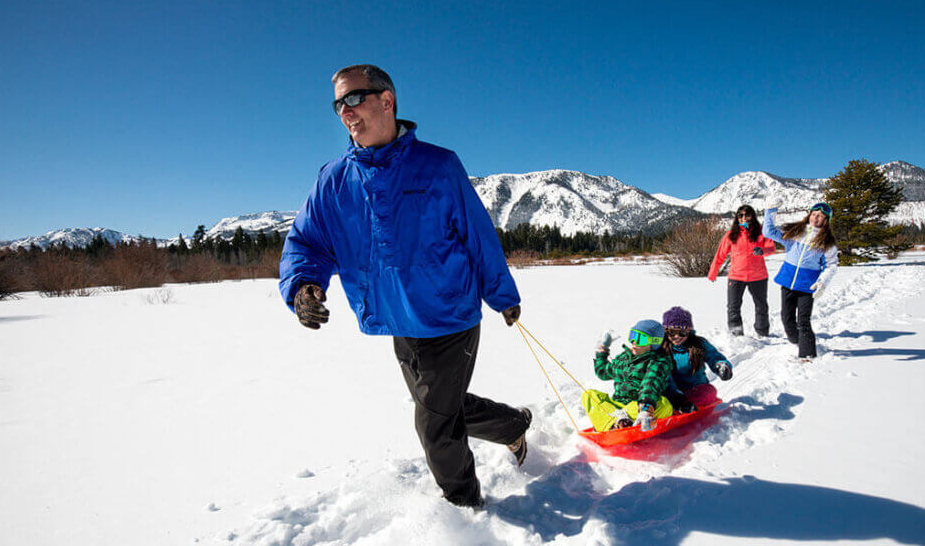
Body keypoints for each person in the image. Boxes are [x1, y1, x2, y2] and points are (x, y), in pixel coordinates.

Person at [279, 64, 529, 509]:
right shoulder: (334, 180)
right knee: (443, 407)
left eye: (354, 99)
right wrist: (302, 286)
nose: (345, 112)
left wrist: (503, 295)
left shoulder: (437, 166)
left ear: (387, 100)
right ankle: (512, 425)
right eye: (338, 103)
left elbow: (478, 235)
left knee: (435, 426)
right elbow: (307, 241)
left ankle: (466, 510)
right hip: (396, 319)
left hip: (449, 316)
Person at [762, 202, 839, 359]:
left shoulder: (827, 242)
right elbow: (768, 231)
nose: (815, 218)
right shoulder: (796, 232)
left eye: (820, 216)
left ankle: (808, 355)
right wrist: (770, 210)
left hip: (807, 286)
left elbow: (831, 265)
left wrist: (822, 282)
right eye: (813, 214)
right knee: (786, 318)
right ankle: (798, 341)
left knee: (803, 321)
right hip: (788, 282)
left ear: (826, 220)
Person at [583, 320, 676, 432]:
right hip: (617, 407)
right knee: (589, 395)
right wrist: (602, 350)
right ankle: (618, 421)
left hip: (638, 406)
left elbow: (650, 384)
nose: (634, 342)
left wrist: (645, 409)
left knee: (664, 404)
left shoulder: (658, 361)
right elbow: (602, 372)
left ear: (654, 343)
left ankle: (614, 421)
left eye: (641, 339)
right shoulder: (623, 358)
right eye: (633, 336)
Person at [707, 204, 777, 336]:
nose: (744, 217)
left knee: (761, 306)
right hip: (736, 277)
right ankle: (736, 335)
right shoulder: (731, 234)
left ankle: (762, 333)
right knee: (733, 308)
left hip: (758, 276)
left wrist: (762, 250)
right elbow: (720, 255)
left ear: (752, 216)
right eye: (740, 215)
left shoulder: (762, 232)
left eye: (747, 214)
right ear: (737, 218)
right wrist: (713, 272)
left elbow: (771, 248)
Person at [659, 307, 732, 413]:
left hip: (695, 389)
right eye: (672, 333)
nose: (677, 336)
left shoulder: (699, 344)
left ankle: (684, 406)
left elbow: (714, 357)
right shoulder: (662, 348)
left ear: (689, 331)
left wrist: (721, 365)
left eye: (682, 333)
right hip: (672, 391)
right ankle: (675, 404)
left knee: (709, 391)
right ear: (666, 332)